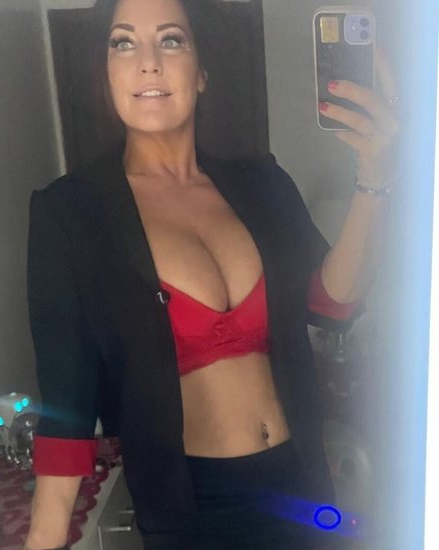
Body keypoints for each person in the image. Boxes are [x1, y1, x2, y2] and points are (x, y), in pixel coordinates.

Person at [24, 0, 400, 548]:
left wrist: (375, 174)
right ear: (106, 72)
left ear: (201, 71)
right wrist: (44, 538)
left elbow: (333, 303)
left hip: (302, 489)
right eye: (123, 42)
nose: (148, 61)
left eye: (171, 39)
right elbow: (67, 414)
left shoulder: (263, 183)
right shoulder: (71, 214)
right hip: (192, 514)